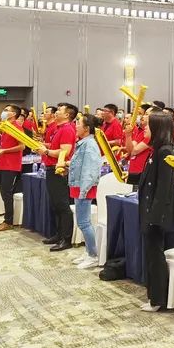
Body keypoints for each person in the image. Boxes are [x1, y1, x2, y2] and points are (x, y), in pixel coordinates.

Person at [138, 111, 174, 312]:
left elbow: (164, 188)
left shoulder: (165, 152)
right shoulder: (156, 150)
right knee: (151, 254)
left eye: (148, 125)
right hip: (149, 210)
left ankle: (157, 299)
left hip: (155, 214)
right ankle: (153, 295)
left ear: (157, 129)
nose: (144, 129)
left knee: (155, 256)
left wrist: (154, 216)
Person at [36, 103, 78, 251]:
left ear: (67, 115)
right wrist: (44, 147)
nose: (56, 111)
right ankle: (59, 234)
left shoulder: (67, 129)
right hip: (51, 168)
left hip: (59, 169)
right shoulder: (59, 128)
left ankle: (66, 239)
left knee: (62, 205)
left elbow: (64, 152)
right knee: (55, 204)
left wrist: (46, 151)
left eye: (60, 110)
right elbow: (56, 147)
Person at [68, 114, 104, 269]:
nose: (75, 126)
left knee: (84, 222)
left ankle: (93, 255)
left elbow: (91, 169)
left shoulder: (89, 144)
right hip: (79, 185)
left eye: (78, 124)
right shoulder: (83, 143)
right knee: (82, 222)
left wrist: (84, 190)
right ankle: (89, 251)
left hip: (84, 186)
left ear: (87, 128)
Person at [0, 105, 25, 232]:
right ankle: (7, 219)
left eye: (6, 110)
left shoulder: (17, 127)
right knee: (4, 191)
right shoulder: (6, 126)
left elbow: (22, 146)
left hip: (11, 164)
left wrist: (5, 150)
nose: (3, 112)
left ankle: (9, 221)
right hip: (3, 163)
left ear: (14, 114)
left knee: (6, 192)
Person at [125, 105, 154, 186]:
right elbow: (130, 150)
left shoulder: (151, 134)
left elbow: (134, 151)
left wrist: (128, 137)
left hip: (142, 171)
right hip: (133, 169)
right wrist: (128, 135)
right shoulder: (142, 131)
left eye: (146, 114)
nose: (142, 117)